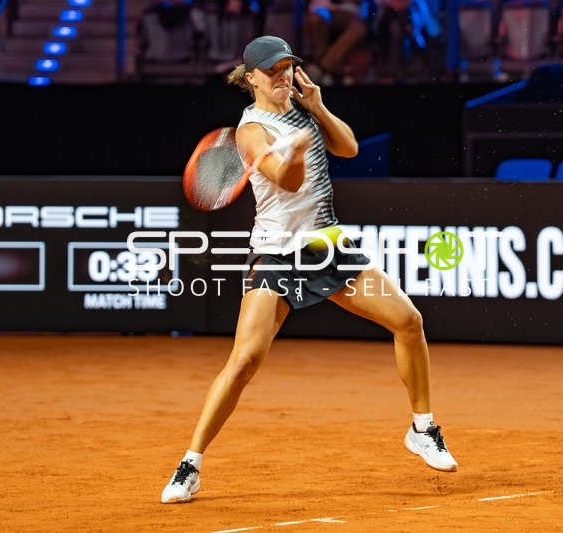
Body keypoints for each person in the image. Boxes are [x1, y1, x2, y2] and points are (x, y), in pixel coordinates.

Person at [160, 35, 458, 504]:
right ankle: (190, 464)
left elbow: (350, 148)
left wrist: (317, 108)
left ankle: (423, 428)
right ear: (251, 78)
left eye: (288, 68)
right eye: (273, 70)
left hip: (326, 244)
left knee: (408, 321)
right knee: (244, 361)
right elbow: (287, 179)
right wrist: (294, 149)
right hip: (276, 254)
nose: (283, 77)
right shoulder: (250, 131)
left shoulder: (304, 108)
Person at [304, 0, 369, 84]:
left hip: (352, 14)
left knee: (359, 27)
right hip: (323, 10)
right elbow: (316, 6)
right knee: (315, 20)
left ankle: (321, 69)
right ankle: (324, 73)